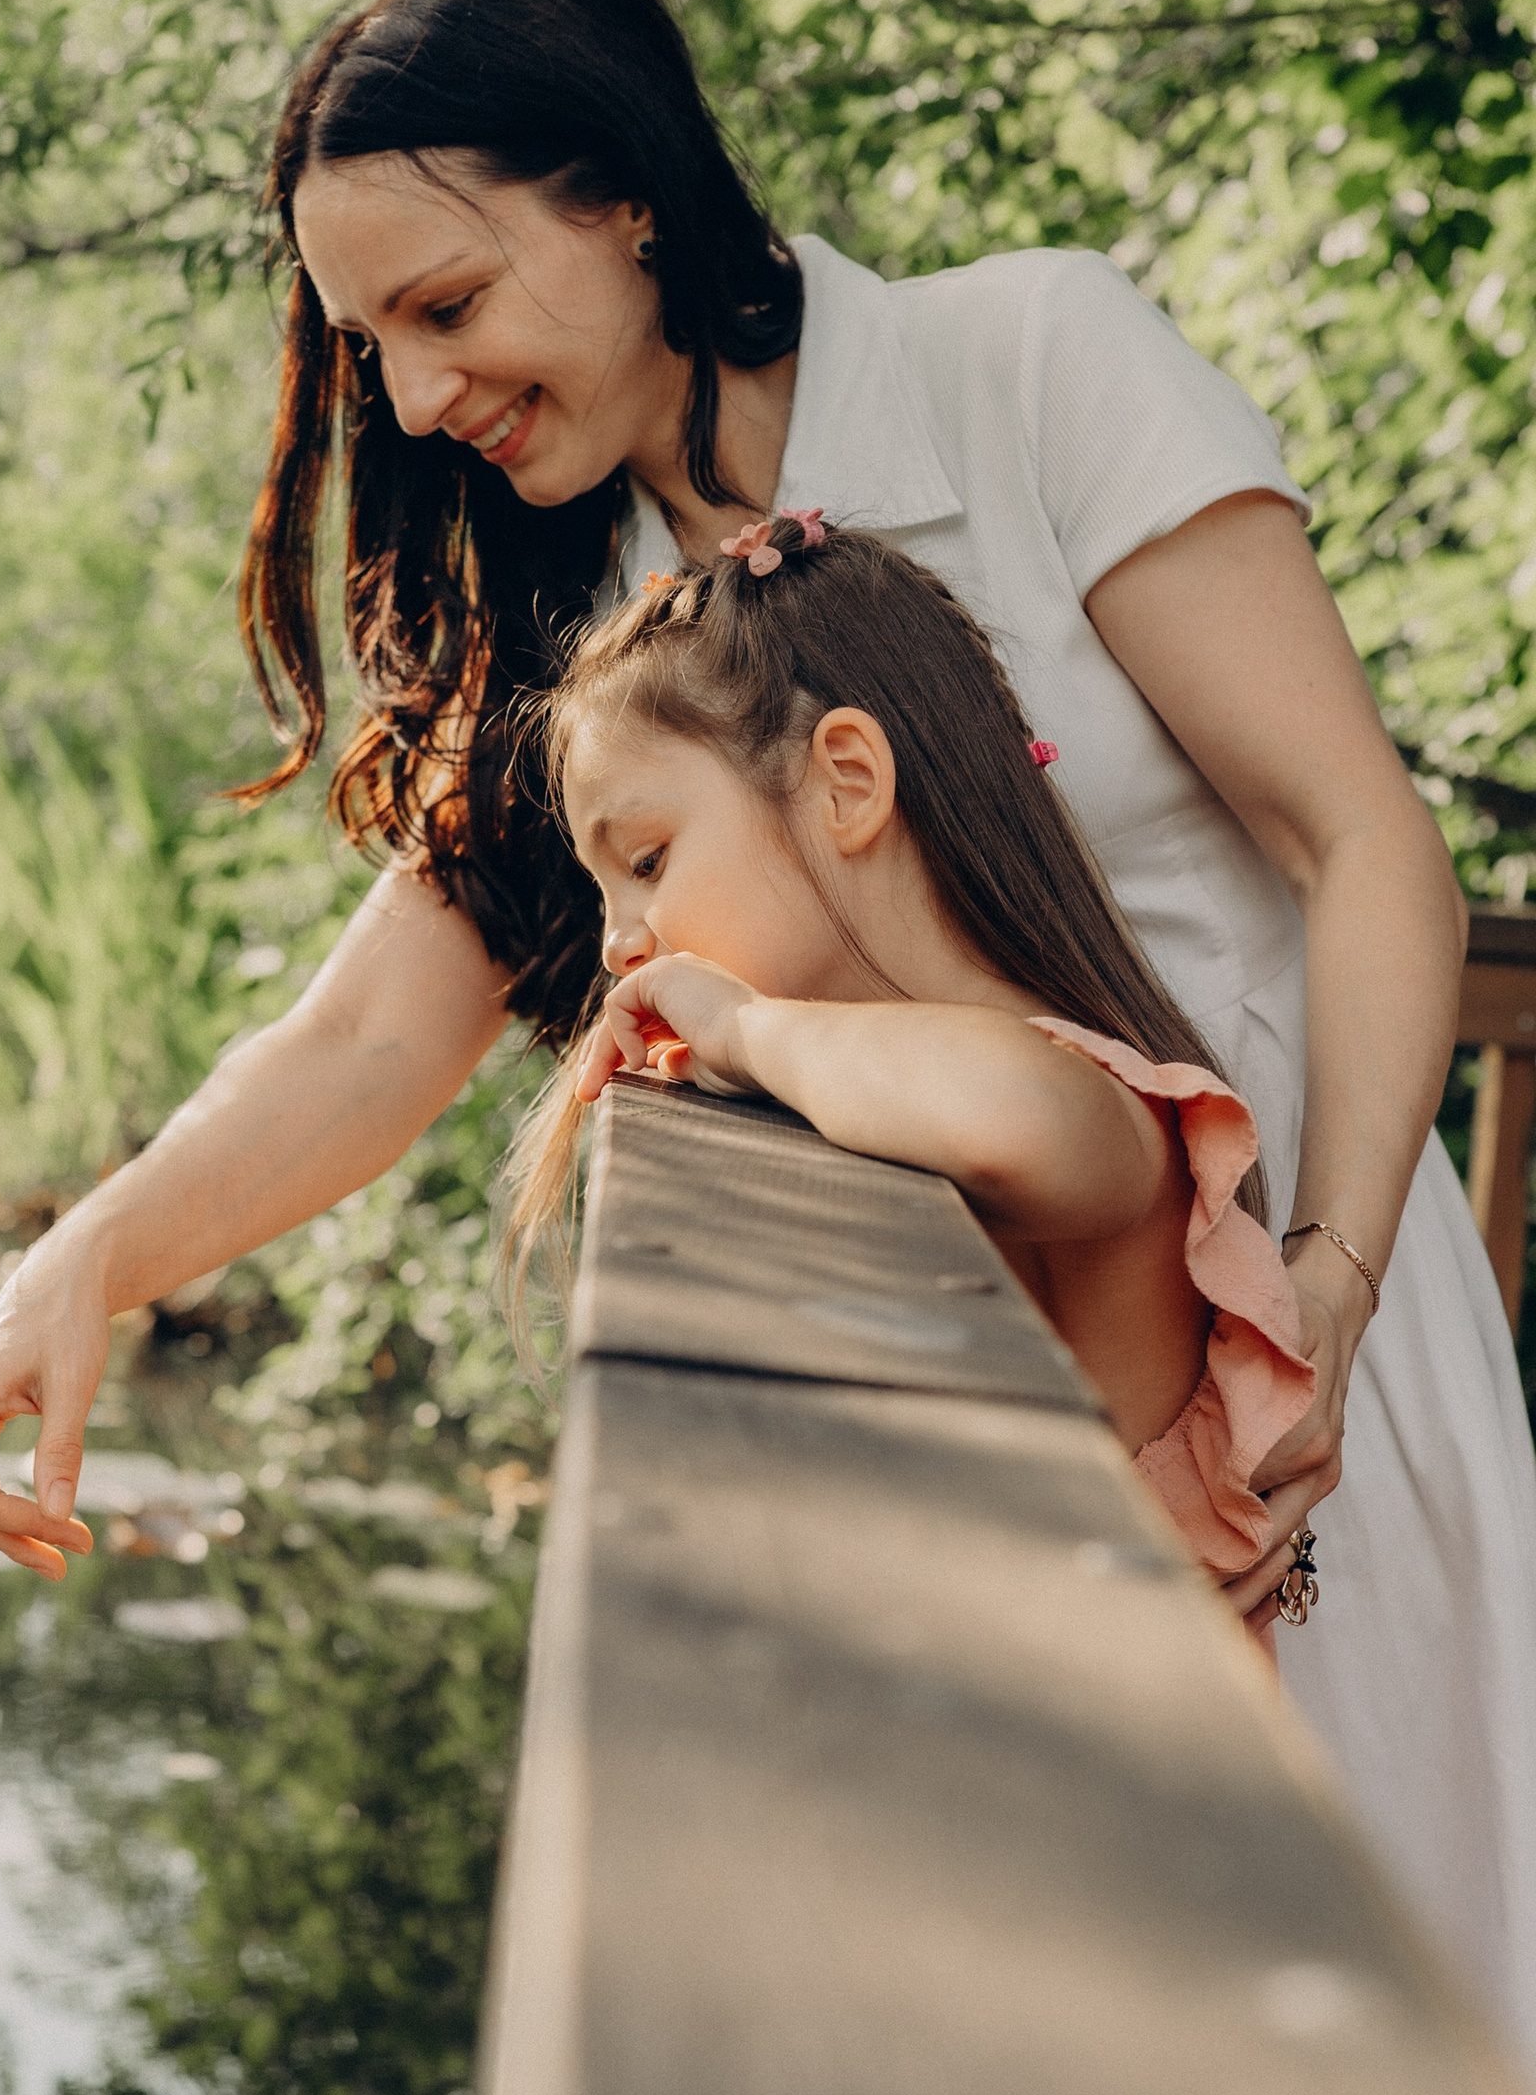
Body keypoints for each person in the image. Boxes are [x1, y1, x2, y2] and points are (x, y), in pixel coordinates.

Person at [0, 0, 1536, 2061]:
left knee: (1404, 2047)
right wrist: (76, 1266)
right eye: (374, 350)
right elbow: (368, 1037)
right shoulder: (606, 625)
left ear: (622, 194)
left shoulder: (1027, 366)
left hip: (1296, 1344)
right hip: (953, 1408)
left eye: (443, 309)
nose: (419, 397)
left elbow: (1357, 845)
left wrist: (1336, 1274)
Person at [509, 516, 1318, 1639]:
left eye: (644, 862)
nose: (618, 940)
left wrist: (743, 1031)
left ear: (845, 782)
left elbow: (1010, 1111)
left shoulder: (1105, 1103)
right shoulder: (881, 1081)